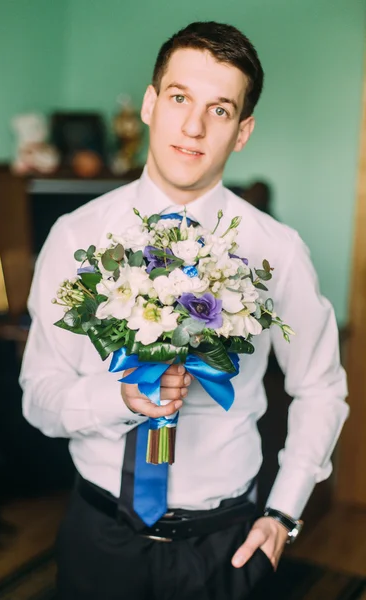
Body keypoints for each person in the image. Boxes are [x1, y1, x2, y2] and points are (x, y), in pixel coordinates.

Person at [20, 21, 349, 600]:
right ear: (150, 103)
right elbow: (38, 397)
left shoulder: (276, 252)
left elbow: (321, 388)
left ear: (242, 131)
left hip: (224, 548)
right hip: (100, 538)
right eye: (179, 99)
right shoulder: (76, 237)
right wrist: (117, 397)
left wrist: (285, 511)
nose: (194, 127)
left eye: (220, 110)